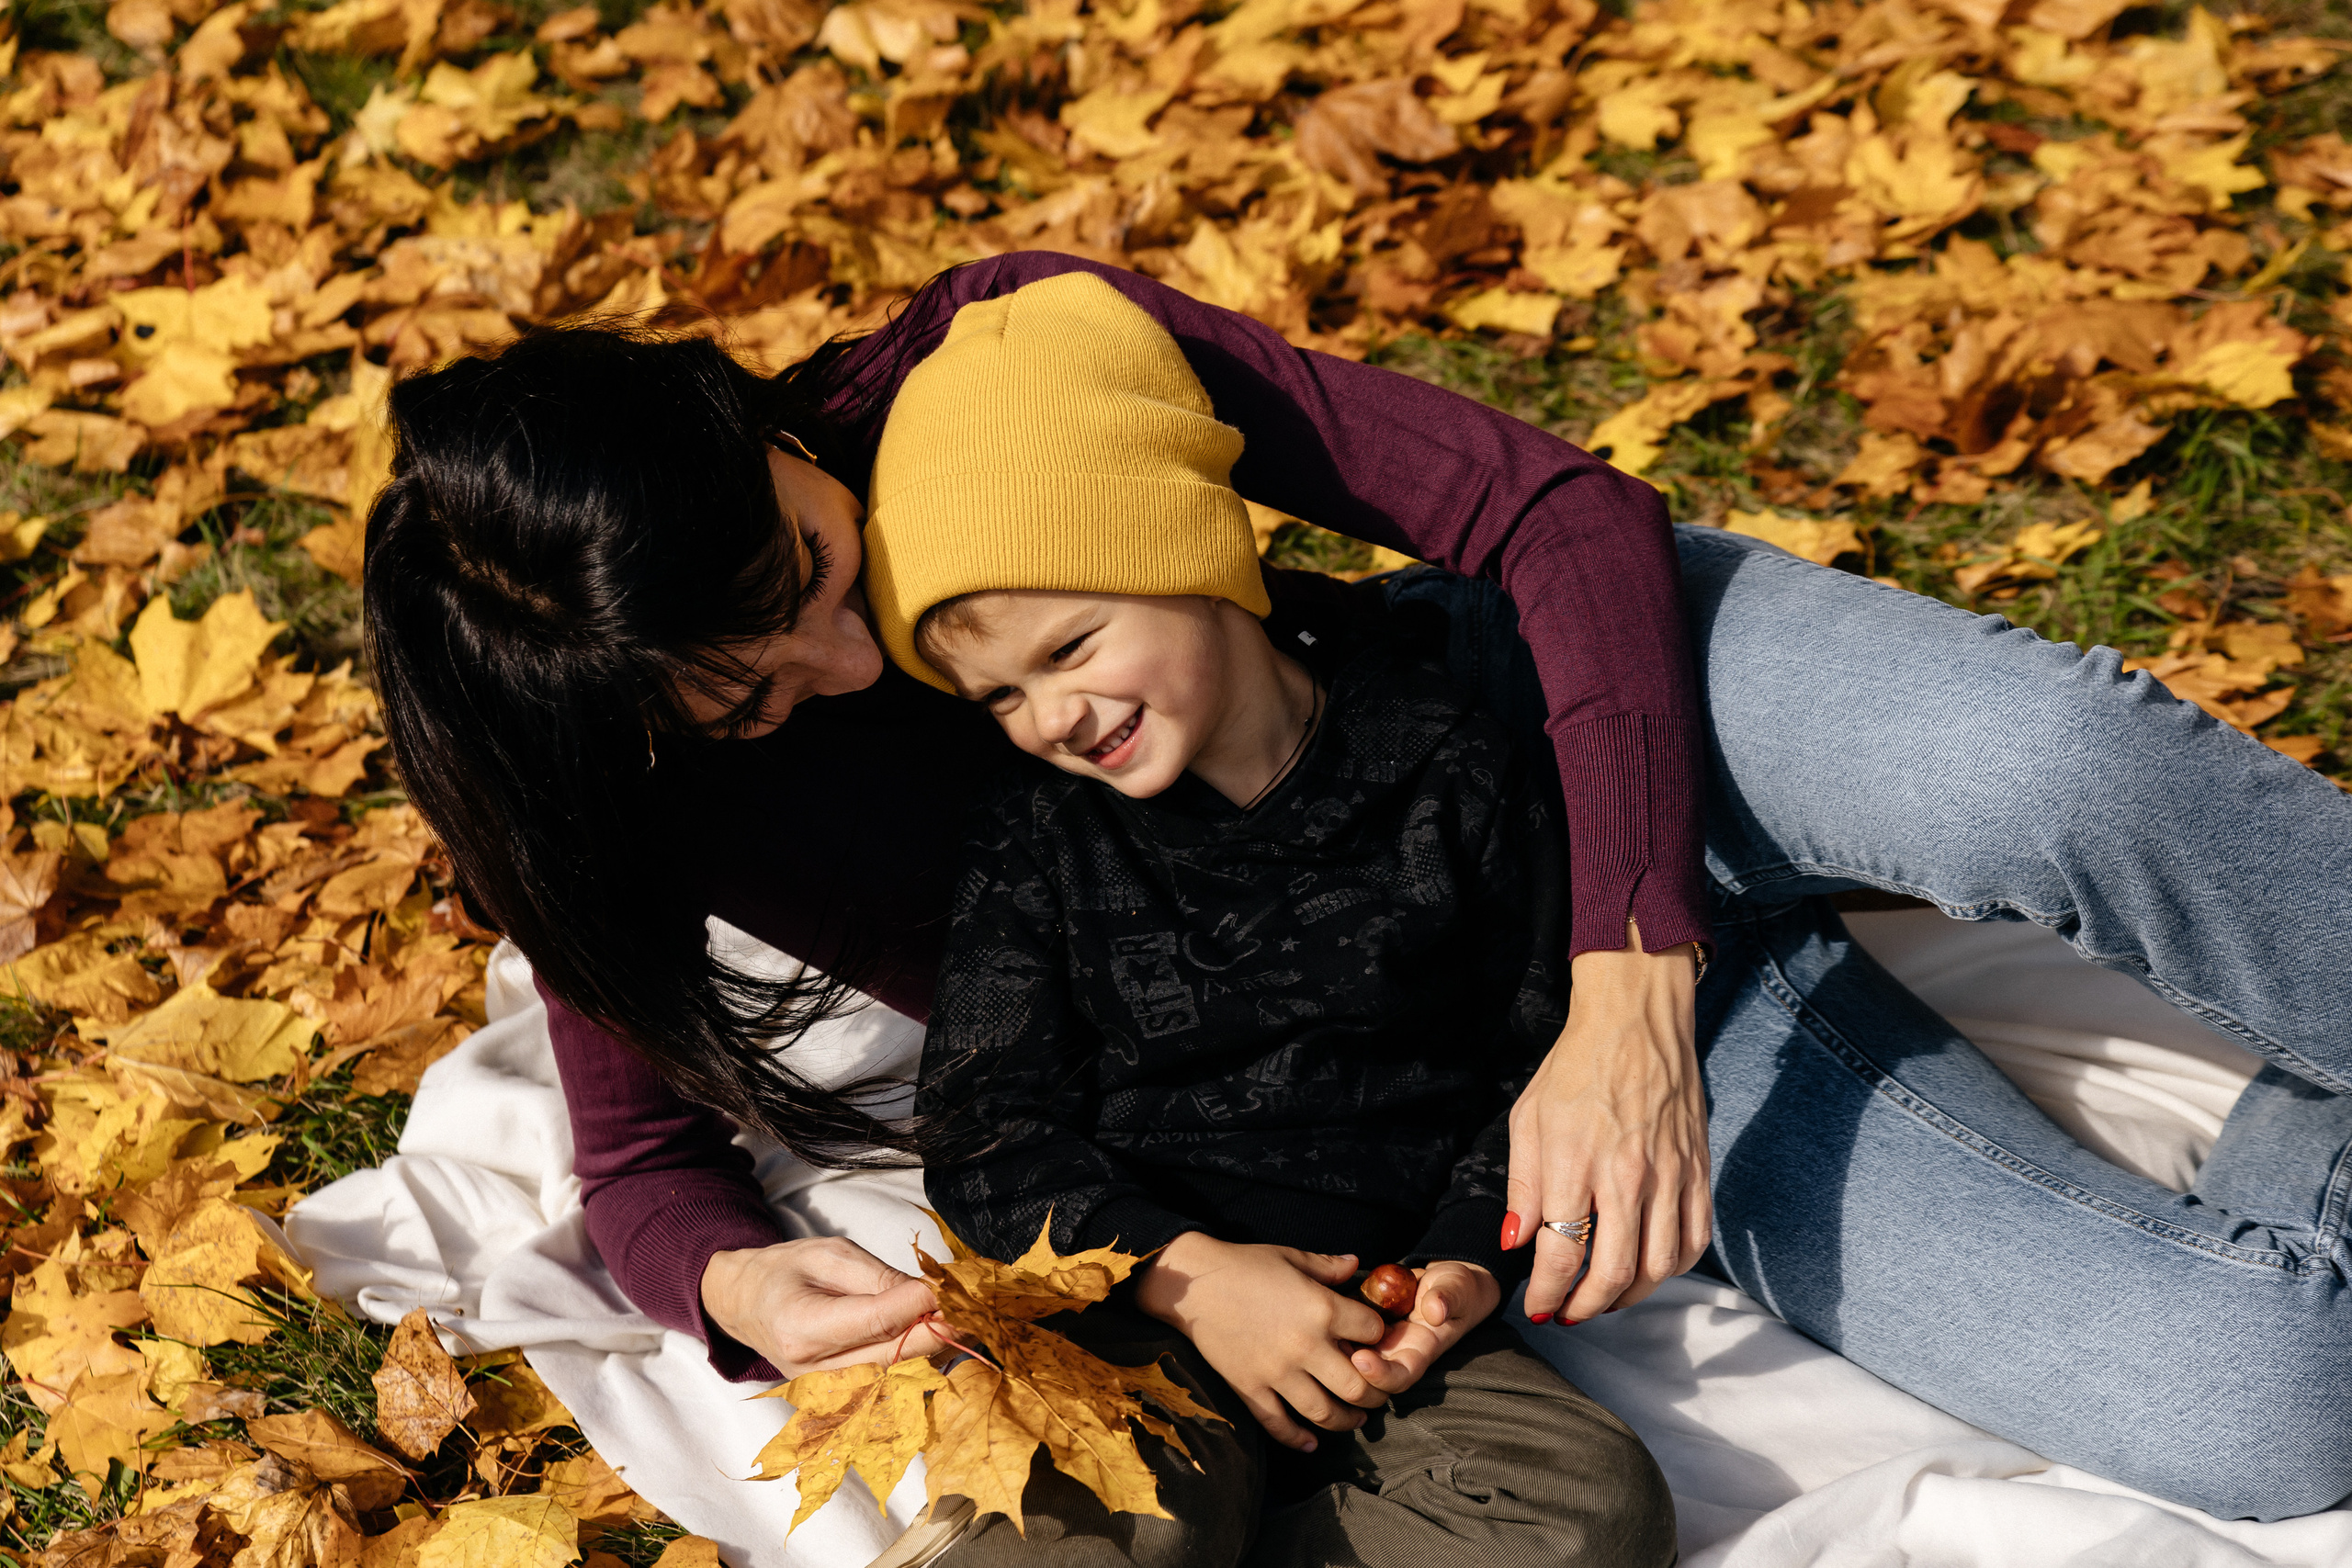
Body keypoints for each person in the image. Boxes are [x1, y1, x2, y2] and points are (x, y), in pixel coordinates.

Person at [364, 247, 2352, 1527]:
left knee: (2040, 763)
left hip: (1522, 722)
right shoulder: (618, 806)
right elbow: (643, 1161)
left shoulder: (981, 379)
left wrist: (1631, 972)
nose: (849, 658)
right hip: (1456, 1026)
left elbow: (1543, 508)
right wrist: (731, 1282)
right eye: (747, 699)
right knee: (2256, 1402)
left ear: (742, 419)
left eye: (813, 569)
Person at [864, 272, 1675, 1562]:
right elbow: (983, 1129)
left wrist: (1465, 1263)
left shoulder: (1443, 760)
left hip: (1379, 1318)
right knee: (1102, 1524)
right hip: (1140, 1302)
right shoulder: (1042, 835)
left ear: (1187, 560)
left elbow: (1531, 1053)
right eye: (999, 698)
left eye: (1070, 649)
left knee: (1586, 1510)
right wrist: (1183, 1276)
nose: (1051, 717)